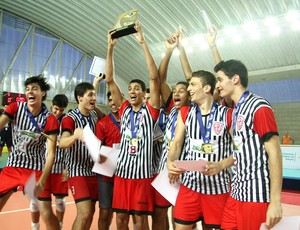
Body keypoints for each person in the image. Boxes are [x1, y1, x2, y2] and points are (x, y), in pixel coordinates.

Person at [207, 59, 283, 229]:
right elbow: (241, 151)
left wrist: (276, 200)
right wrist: (221, 165)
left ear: (235, 79)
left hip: (256, 195)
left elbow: (275, 153)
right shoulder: (236, 111)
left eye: (219, 79)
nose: (217, 85)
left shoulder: (259, 106)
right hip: (237, 192)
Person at [105, 22, 160, 230]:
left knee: (140, 220)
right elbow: (110, 79)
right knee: (120, 221)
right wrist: (110, 48)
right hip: (122, 175)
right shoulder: (125, 108)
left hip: (142, 177)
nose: (132, 90)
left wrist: (143, 42)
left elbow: (154, 77)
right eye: (130, 88)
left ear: (144, 93)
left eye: (137, 88)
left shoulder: (151, 110)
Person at [167, 69, 233, 230]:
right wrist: (170, 162)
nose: (189, 88)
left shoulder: (228, 114)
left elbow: (241, 149)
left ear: (207, 88)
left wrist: (221, 165)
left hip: (218, 189)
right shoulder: (185, 112)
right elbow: (176, 143)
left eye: (193, 84)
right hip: (190, 186)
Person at [0, 75, 60, 230]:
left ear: (43, 93)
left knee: (46, 212)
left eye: (34, 88)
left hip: (36, 170)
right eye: (27, 89)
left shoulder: (50, 120)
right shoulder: (15, 108)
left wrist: (42, 181)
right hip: (13, 167)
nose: (30, 92)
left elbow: (51, 154)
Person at [59, 81, 104, 230]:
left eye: (95, 95)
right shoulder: (69, 119)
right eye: (90, 95)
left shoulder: (94, 115)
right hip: (77, 170)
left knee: (90, 213)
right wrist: (75, 136)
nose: (94, 98)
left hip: (94, 170)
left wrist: (95, 85)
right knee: (84, 213)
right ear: (79, 98)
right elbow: (63, 142)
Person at [30, 94, 69, 230]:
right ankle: (35, 227)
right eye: (56, 109)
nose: (58, 113)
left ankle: (59, 226)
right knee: (35, 202)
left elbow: (69, 146)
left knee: (60, 202)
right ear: (52, 105)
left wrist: (67, 167)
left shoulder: (67, 122)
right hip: (41, 166)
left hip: (59, 167)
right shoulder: (41, 119)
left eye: (61, 110)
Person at [95, 91, 121, 230]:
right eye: (110, 100)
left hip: (125, 172)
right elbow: (96, 150)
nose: (113, 103)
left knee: (123, 214)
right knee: (105, 211)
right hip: (106, 171)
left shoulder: (130, 120)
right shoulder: (102, 124)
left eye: (115, 99)